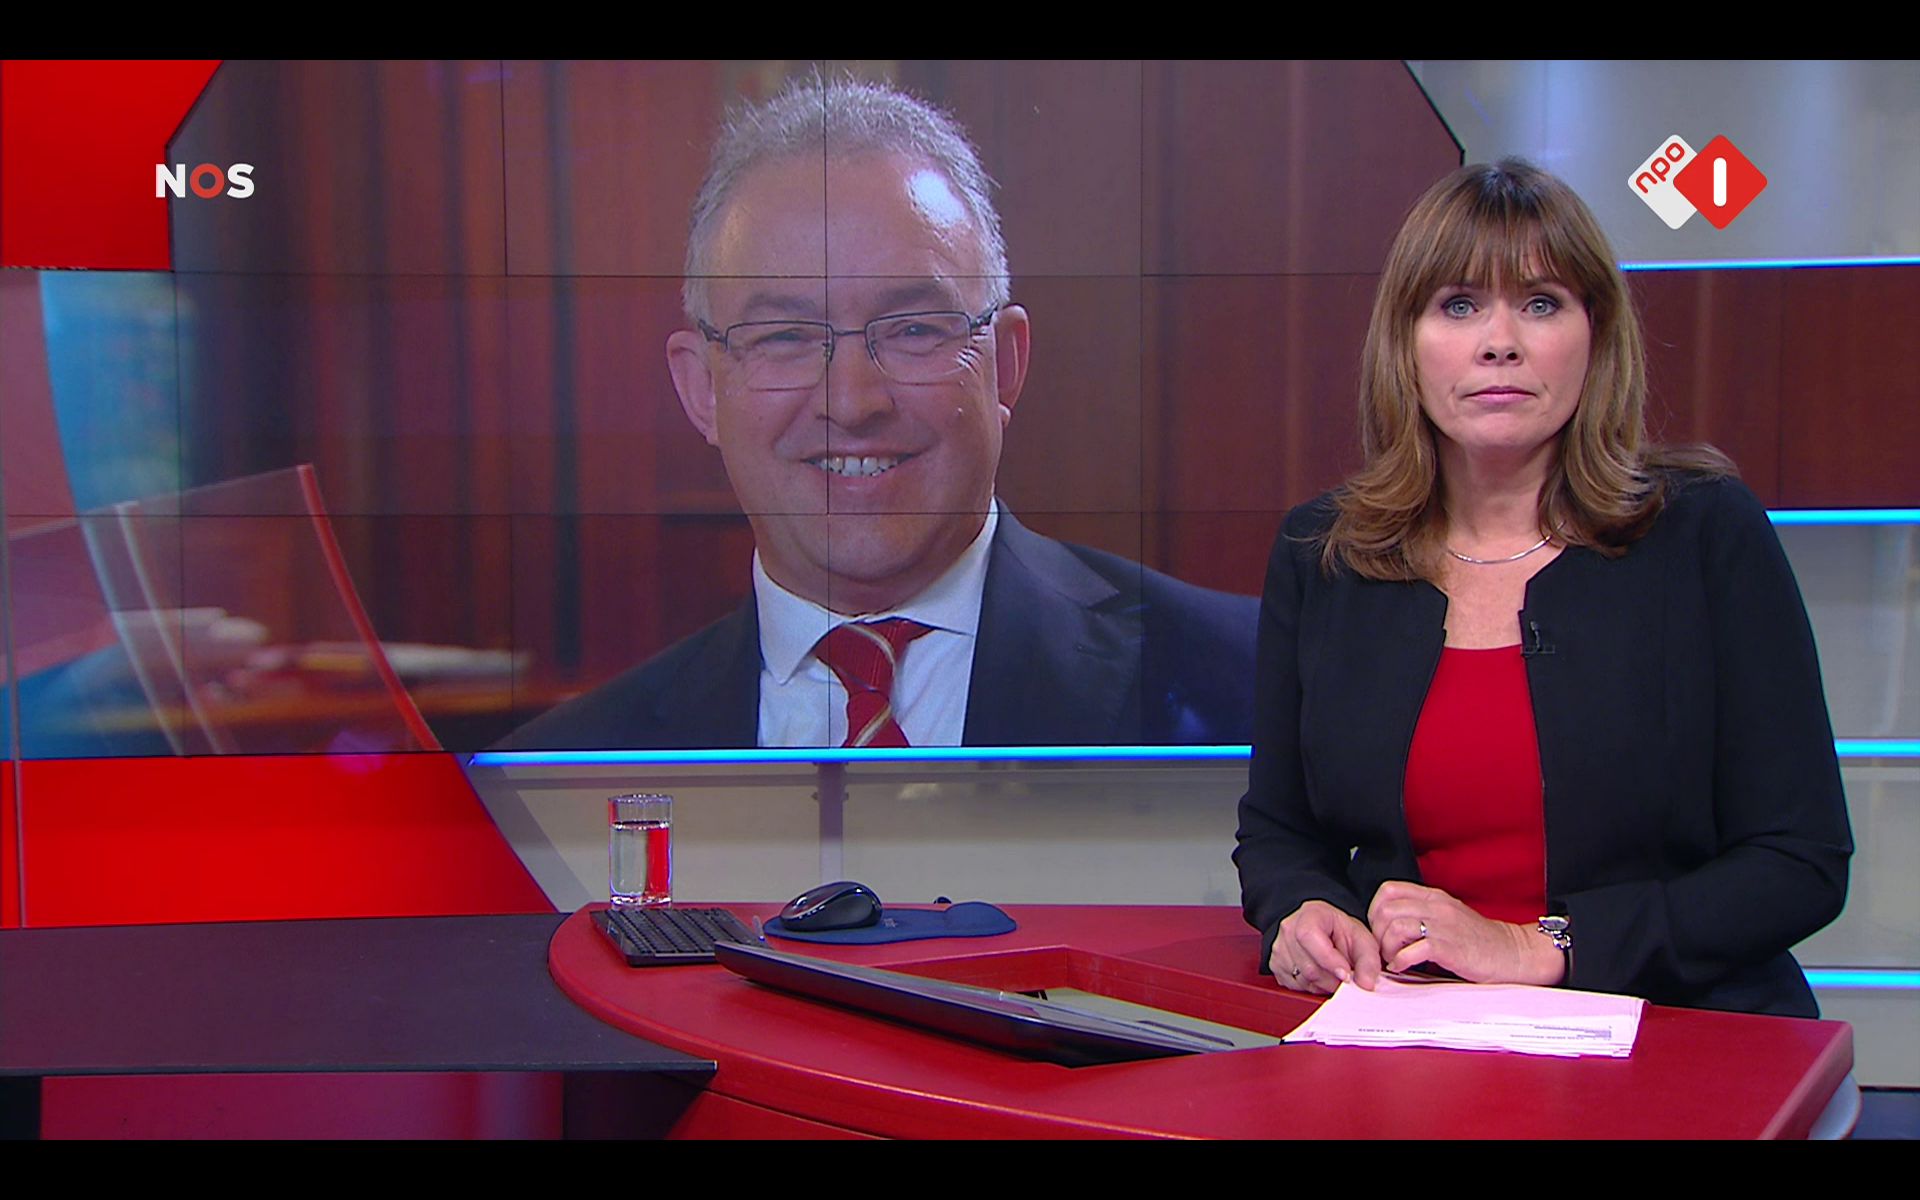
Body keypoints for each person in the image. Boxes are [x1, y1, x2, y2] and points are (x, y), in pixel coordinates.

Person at [1233, 158, 1852, 1017]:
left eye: (1540, 303)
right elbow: (1279, 831)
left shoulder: (1704, 532)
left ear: (1595, 334)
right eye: (1458, 305)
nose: (1500, 342)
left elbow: (1799, 860)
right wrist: (1301, 910)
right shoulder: (1325, 552)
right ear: (1404, 343)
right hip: (1415, 1030)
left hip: (1677, 1026)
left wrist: (1538, 946)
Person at [500, 76, 1255, 751]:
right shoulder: (569, 773)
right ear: (701, 389)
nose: (853, 402)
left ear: (1006, 361)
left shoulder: (1256, 688)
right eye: (786, 337)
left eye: (914, 330)